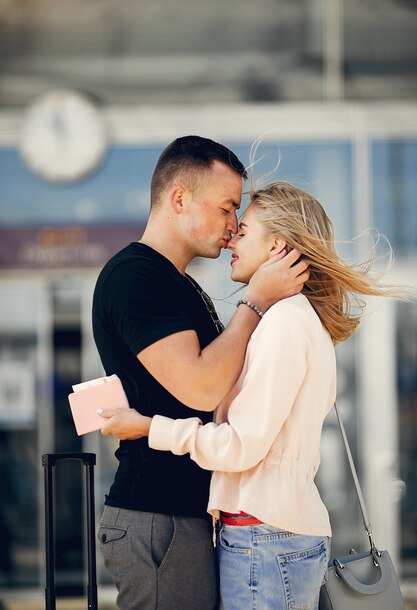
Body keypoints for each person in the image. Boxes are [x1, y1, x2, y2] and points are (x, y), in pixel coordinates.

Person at [99, 181, 403, 610]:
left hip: (264, 536)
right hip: (270, 534)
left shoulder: (282, 322)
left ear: (277, 246)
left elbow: (240, 446)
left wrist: (149, 428)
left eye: (243, 230)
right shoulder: (290, 319)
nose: (231, 241)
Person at [92, 138, 309, 610]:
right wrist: (256, 300)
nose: (233, 227)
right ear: (179, 199)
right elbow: (202, 387)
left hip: (182, 515)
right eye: (228, 207)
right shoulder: (136, 278)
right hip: (156, 516)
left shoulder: (177, 282)